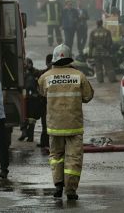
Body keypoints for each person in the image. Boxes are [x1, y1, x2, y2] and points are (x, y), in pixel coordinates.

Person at [38, 44, 94, 201]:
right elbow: (88, 96)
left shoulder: (45, 77)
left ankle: (58, 185)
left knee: (56, 156)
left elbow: (42, 93)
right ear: (69, 58)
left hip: (54, 127)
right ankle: (70, 190)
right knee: (73, 158)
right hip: (74, 126)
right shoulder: (79, 76)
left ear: (55, 59)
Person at [18, 58, 43, 142]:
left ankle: (30, 136)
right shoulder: (22, 73)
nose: (26, 65)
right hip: (26, 98)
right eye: (25, 64)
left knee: (31, 118)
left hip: (33, 99)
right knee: (24, 116)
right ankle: (24, 133)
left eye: (27, 64)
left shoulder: (35, 73)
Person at [37, 53, 53, 151]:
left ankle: (45, 142)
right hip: (53, 105)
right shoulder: (55, 72)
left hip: (47, 104)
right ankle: (46, 142)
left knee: (46, 124)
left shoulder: (45, 74)